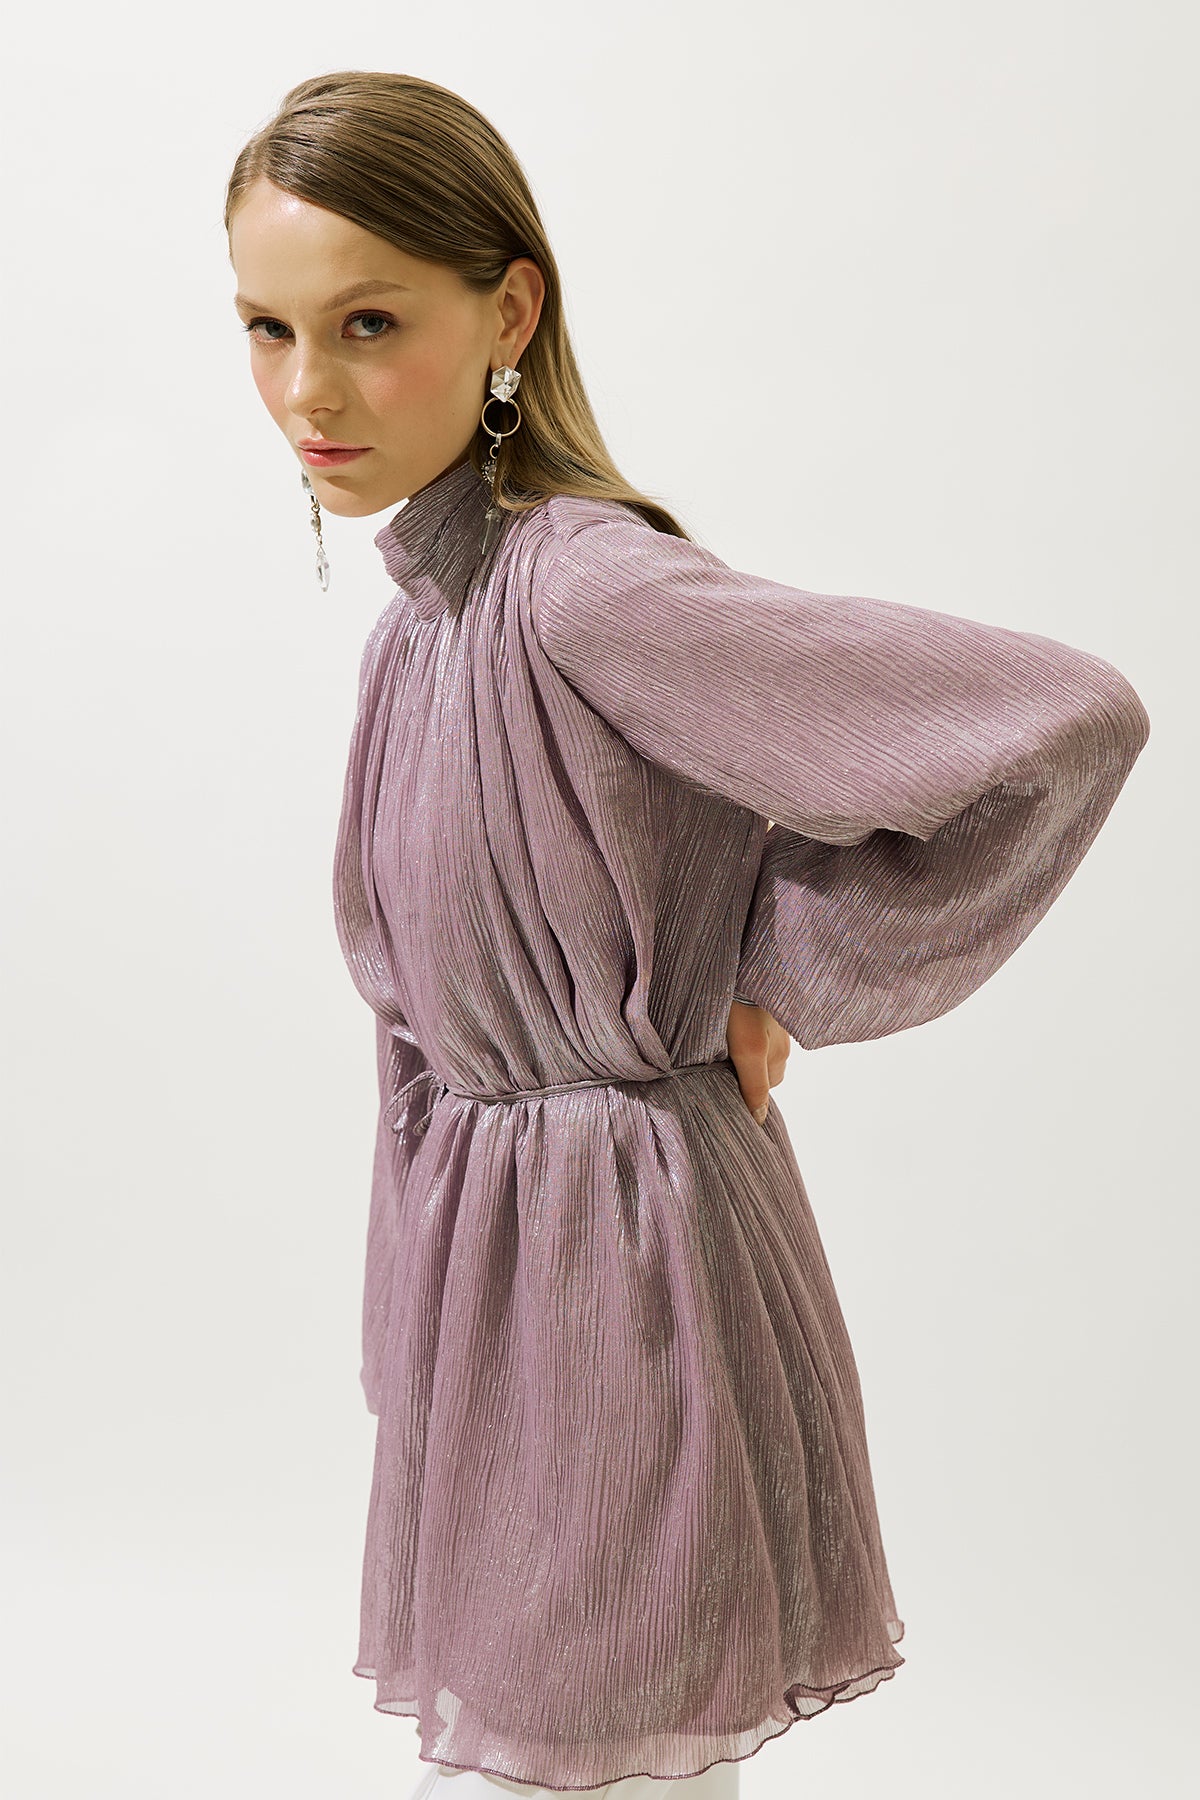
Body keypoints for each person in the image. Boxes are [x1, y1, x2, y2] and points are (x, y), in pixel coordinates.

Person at [224, 70, 1150, 1800]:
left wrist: (781, 967)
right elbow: (421, 1027)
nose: (306, 392)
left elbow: (1061, 720)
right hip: (493, 1298)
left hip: (627, 1276)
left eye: (367, 323)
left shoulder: (585, 587)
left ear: (509, 313)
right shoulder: (417, 636)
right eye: (266, 329)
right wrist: (411, 1340)